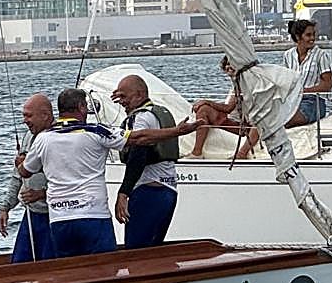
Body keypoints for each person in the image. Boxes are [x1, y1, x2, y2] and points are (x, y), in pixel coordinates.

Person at [17, 88, 127, 257]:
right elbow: (138, 137)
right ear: (82, 107)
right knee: (106, 265)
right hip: (94, 216)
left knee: (67, 267)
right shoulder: (95, 131)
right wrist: (174, 132)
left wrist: (20, 164)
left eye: (28, 116)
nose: (26, 121)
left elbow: (24, 171)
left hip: (60, 220)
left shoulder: (43, 138)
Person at [111, 74, 198, 250]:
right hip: (169, 190)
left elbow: (138, 153)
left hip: (148, 192)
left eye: (124, 96)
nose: (121, 101)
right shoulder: (159, 113)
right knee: (153, 249)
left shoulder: (142, 118)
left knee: (136, 250)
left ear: (139, 95)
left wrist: (124, 193)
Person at [235, 19, 332, 159]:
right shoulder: (288, 56)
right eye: (308, 35)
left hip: (313, 103)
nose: (312, 38)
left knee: (271, 118)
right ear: (298, 37)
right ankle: (246, 149)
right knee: (263, 114)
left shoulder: (321, 56)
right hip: (291, 100)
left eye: (313, 35)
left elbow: (327, 85)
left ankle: (242, 153)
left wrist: (303, 91)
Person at [0, 93, 54, 263]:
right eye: (23, 115)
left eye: (29, 116)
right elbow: (18, 175)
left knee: (49, 263)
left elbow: (69, 179)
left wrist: (42, 194)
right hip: (31, 214)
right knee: (19, 262)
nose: (25, 120)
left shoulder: (58, 138)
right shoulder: (28, 136)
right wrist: (5, 207)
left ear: (45, 115)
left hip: (53, 215)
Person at [189, 57, 246, 157]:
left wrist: (207, 102)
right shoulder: (237, 83)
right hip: (234, 120)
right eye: (227, 64)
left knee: (204, 110)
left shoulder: (241, 84)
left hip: (240, 126)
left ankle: (197, 152)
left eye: (232, 64)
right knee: (204, 108)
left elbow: (228, 108)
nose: (229, 67)